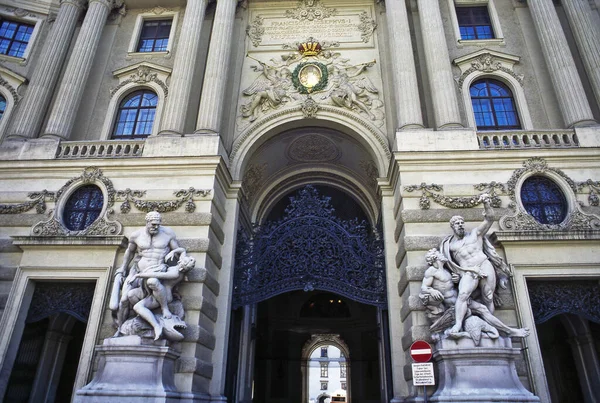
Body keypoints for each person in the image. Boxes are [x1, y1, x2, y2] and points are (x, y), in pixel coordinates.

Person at [439, 194, 512, 335]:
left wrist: (487, 204)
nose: (460, 225)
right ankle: (458, 325)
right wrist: (457, 275)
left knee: (488, 296)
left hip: (484, 264)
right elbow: (449, 264)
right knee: (463, 294)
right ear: (452, 226)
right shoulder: (450, 246)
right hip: (469, 271)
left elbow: (489, 219)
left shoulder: (474, 234)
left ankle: (489, 326)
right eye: (457, 223)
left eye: (461, 222)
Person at [420, 248, 529, 338]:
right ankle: (458, 326)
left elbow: (453, 286)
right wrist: (432, 290)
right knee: (481, 309)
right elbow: (424, 287)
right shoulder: (431, 271)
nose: (442, 254)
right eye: (439, 253)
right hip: (453, 305)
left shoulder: (446, 271)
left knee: (483, 309)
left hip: (462, 300)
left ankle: (509, 331)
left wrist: (456, 280)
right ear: (435, 258)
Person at [110, 211, 184, 337]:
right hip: (138, 271)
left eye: (158, 224)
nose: (156, 227)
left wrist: (180, 260)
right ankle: (120, 329)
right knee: (123, 300)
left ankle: (162, 309)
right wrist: (123, 267)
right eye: (153, 224)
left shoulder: (168, 234)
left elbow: (177, 251)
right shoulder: (136, 235)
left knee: (152, 282)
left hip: (157, 270)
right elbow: (129, 252)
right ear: (147, 222)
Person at [130, 254, 195, 340]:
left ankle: (157, 325)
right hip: (156, 292)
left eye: (184, 261)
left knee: (138, 305)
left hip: (163, 296)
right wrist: (175, 251)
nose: (181, 260)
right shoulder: (177, 268)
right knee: (131, 295)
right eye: (183, 259)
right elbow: (182, 251)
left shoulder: (175, 273)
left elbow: (157, 275)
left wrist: (138, 275)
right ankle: (147, 317)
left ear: (182, 267)